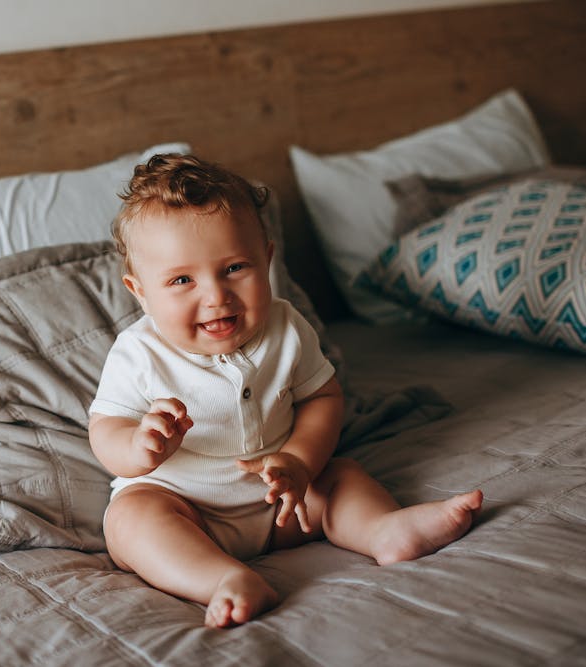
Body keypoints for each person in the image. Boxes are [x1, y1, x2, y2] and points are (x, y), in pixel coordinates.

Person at [88, 153, 483, 628]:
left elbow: (322, 398)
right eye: (182, 280)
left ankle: (385, 530)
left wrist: (297, 462)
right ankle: (221, 580)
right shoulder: (137, 352)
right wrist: (137, 447)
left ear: (267, 259)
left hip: (283, 502)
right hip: (185, 507)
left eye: (235, 268)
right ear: (141, 291)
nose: (215, 296)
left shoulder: (286, 327)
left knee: (341, 476)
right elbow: (104, 427)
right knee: (130, 522)